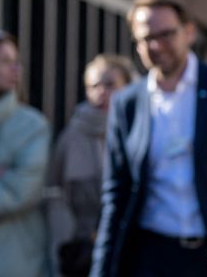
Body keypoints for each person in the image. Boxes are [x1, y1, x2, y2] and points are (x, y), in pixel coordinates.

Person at [91, 0, 207, 277]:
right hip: (150, 257)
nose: (156, 45)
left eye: (166, 34)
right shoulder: (127, 103)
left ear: (189, 32)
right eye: (146, 38)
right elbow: (116, 195)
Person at [0, 28, 53, 276]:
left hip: (9, 254)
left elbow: (22, 188)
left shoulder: (31, 125)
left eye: (16, 62)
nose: (15, 70)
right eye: (5, 61)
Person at [46, 54, 136, 276]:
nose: (101, 92)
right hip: (83, 248)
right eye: (94, 85)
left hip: (132, 243)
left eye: (110, 84)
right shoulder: (72, 135)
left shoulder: (139, 129)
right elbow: (55, 192)